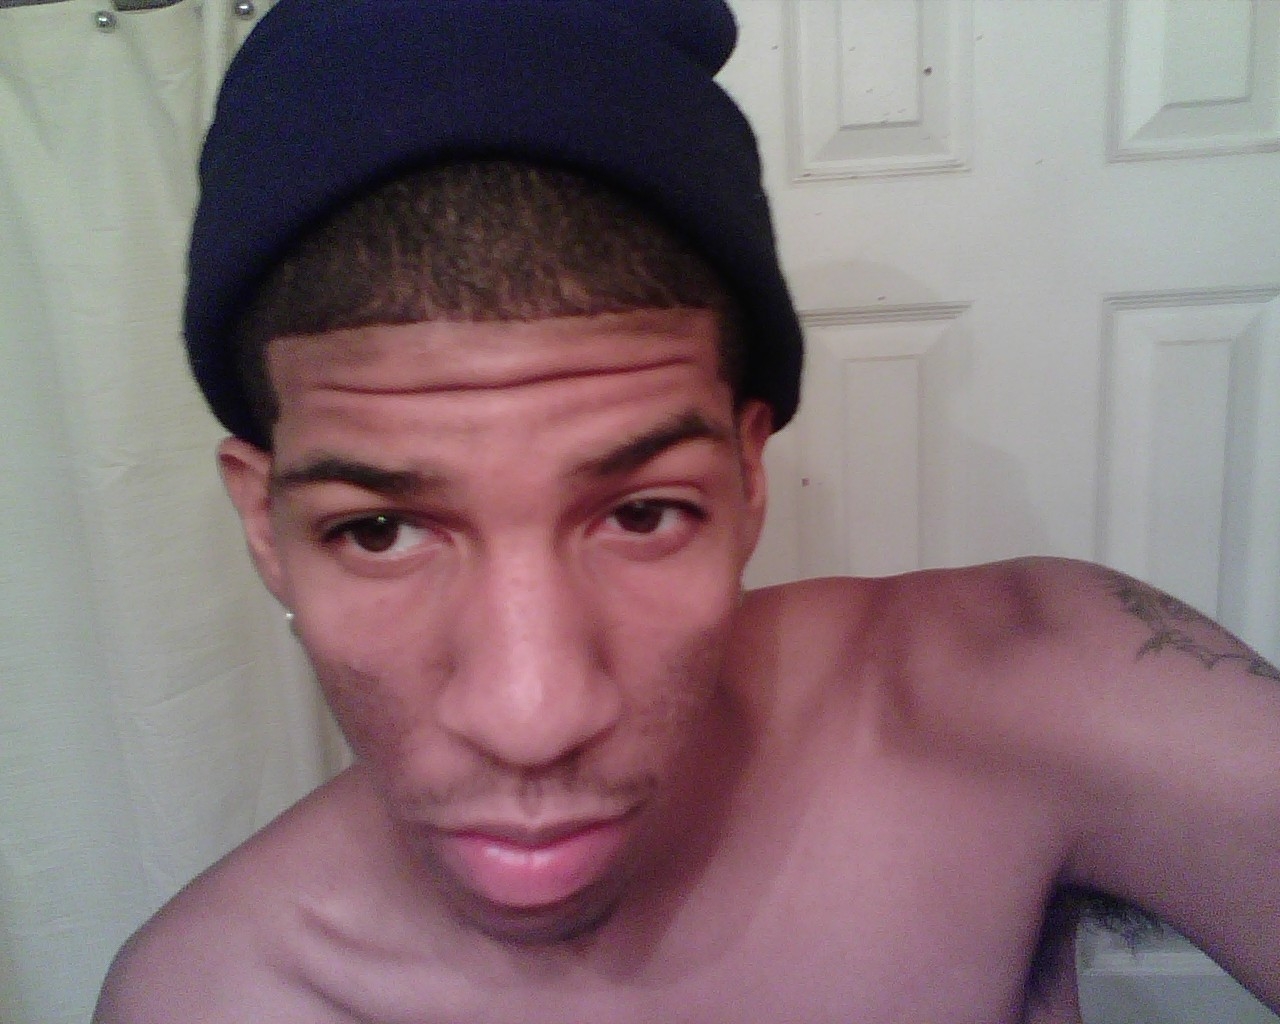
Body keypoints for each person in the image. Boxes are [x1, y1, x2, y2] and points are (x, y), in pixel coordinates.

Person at [95, 1, 1280, 1021]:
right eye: (378, 530)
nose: (531, 716)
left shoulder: (1039, 688)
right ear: (264, 524)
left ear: (748, 477)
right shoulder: (217, 992)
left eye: (643, 513)